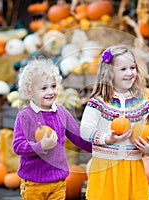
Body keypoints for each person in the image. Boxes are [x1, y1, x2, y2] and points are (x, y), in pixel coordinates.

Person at [80, 44, 149, 200]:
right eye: (123, 69)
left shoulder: (141, 101)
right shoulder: (99, 102)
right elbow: (85, 129)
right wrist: (107, 138)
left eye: (132, 67)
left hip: (133, 167)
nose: (130, 73)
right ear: (109, 73)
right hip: (105, 167)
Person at [12, 58, 92, 200]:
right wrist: (40, 146)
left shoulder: (62, 113)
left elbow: (79, 137)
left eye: (53, 86)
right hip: (34, 184)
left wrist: (101, 146)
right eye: (43, 88)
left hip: (58, 182)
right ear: (30, 92)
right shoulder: (25, 116)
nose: (50, 92)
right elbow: (18, 146)